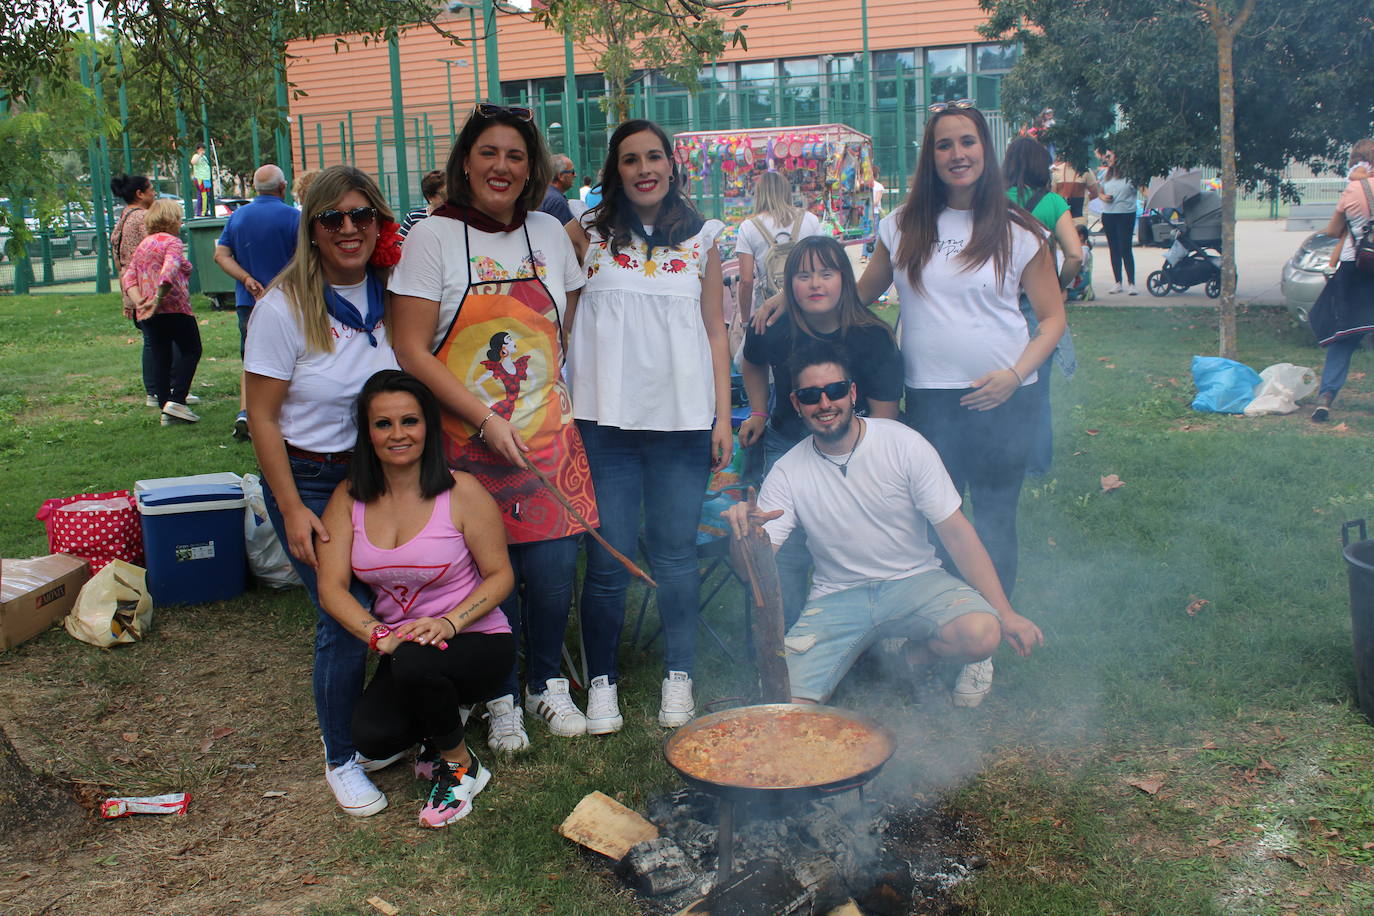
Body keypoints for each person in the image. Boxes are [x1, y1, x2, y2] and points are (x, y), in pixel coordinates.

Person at [754, 99, 1065, 707]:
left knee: (995, 523)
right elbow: (855, 296)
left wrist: (1015, 373)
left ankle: (981, 649)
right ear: (932, 157)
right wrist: (784, 302)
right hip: (928, 399)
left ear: (985, 151)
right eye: (945, 145)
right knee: (934, 519)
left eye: (968, 143)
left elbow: (1051, 319)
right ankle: (923, 630)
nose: (958, 155)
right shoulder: (902, 226)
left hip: (1004, 399)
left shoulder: (1020, 230)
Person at [390, 103, 595, 753]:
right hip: (463, 444)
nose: (502, 166)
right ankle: (499, 693)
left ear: (532, 168)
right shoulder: (434, 238)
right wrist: (484, 419)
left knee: (555, 569)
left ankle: (546, 683)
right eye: (489, 153)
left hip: (545, 437)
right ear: (466, 162)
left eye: (515, 154)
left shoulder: (548, 232)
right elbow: (411, 349)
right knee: (482, 575)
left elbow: (568, 329)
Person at [723, 347, 1043, 706]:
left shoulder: (902, 443)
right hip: (837, 595)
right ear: (797, 404)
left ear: (853, 393)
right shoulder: (787, 470)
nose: (825, 403)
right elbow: (749, 571)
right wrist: (746, 539)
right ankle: (859, 659)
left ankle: (904, 661)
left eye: (836, 391)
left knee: (982, 632)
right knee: (786, 704)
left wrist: (1005, 612)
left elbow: (956, 533)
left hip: (916, 581)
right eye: (811, 396)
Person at [244, 165, 403, 817]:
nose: (348, 229)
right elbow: (261, 415)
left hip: (381, 476)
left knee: (401, 594)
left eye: (361, 216)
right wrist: (290, 508)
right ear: (311, 228)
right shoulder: (284, 307)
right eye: (332, 218)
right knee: (345, 614)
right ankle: (340, 757)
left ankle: (380, 730)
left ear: (378, 222)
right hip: (310, 477)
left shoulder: (393, 294)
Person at [566, 118, 734, 728]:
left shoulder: (703, 239)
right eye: (631, 159)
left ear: (671, 164)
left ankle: (678, 678)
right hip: (604, 423)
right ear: (615, 169)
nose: (644, 169)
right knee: (607, 560)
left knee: (674, 555)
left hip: (680, 425)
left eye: (654, 157)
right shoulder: (584, 233)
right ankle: (603, 684)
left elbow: (717, 332)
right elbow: (563, 319)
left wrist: (720, 415)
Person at [317, 370, 515, 827]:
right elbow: (331, 588)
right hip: (404, 648)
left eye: (410, 421)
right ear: (367, 433)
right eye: (383, 424)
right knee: (372, 736)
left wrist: (449, 622)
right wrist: (378, 634)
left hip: (476, 639)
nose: (398, 434)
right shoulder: (349, 498)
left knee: (414, 663)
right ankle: (437, 726)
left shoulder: (460, 490)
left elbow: (500, 575)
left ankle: (462, 766)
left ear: (428, 425)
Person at [738, 235, 902, 627]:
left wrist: (867, 472)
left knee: (859, 539)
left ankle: (867, 629)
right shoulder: (772, 327)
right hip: (788, 444)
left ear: (845, 279)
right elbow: (751, 362)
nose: (815, 284)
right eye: (804, 275)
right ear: (788, 284)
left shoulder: (873, 336)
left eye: (826, 274)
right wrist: (759, 410)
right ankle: (785, 635)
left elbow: (885, 420)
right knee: (787, 548)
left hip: (856, 449)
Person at [1003, 136, 1082, 476]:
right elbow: (1076, 255)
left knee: (1002, 383)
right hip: (1038, 306)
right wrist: (1059, 286)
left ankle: (1002, 453)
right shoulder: (1052, 203)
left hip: (1000, 303)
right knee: (1038, 386)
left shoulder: (991, 201)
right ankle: (1037, 462)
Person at [215, 164, 301, 440]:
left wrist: (246, 279)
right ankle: (278, 413)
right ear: (283, 187)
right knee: (291, 358)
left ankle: (246, 411)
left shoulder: (238, 217)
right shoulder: (293, 218)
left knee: (252, 358)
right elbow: (305, 259)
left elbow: (221, 255)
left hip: (248, 301)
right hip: (289, 301)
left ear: (254, 188)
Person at [110, 174, 198, 411]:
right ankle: (176, 396)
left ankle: (162, 401)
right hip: (170, 303)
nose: (153, 194)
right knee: (188, 349)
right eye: (150, 189)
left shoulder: (124, 220)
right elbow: (168, 271)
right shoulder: (162, 235)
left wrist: (140, 301)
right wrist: (156, 298)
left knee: (157, 349)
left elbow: (125, 269)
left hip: (140, 295)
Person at [1309, 138, 1374, 423]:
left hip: (1354, 267)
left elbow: (1336, 230)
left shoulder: (1353, 188)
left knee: (1344, 336)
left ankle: (1326, 397)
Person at [735, 170, 822, 325]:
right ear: (786, 191)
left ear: (759, 194)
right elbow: (823, 262)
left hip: (768, 310)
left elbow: (746, 281)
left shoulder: (748, 227)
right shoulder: (810, 220)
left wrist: (745, 321)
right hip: (807, 304)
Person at [1096, 152, 1138, 295]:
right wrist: (1103, 197)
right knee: (1113, 248)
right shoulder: (1106, 176)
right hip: (1109, 214)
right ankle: (1117, 282)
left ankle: (1131, 282)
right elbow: (1099, 192)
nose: (1108, 160)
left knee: (1125, 247)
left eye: (1111, 157)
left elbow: (1141, 190)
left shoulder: (1130, 176)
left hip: (1125, 214)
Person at [399, 170, 446, 240]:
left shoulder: (456, 217)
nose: (448, 197)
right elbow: (399, 245)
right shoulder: (413, 218)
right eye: (443, 194)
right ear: (429, 196)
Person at [539, 154, 576, 225]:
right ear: (561, 176)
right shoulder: (557, 202)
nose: (575, 175)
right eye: (572, 172)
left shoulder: (541, 194)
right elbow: (563, 234)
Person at [190, 143, 212, 217]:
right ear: (198, 150)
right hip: (200, 178)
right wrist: (199, 155)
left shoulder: (204, 157)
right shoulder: (196, 156)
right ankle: (201, 212)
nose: (203, 151)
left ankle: (205, 211)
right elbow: (193, 162)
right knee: (203, 195)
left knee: (208, 196)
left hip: (206, 179)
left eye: (203, 149)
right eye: (201, 149)